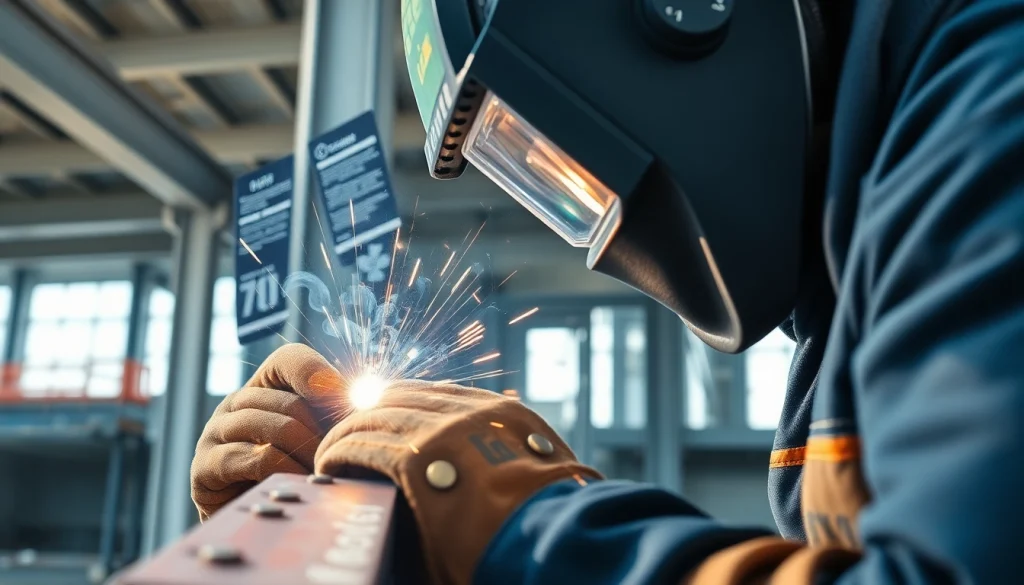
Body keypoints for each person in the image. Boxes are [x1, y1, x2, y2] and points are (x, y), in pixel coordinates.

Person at [191, 0, 1024, 583]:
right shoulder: (841, 286)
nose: (602, 214)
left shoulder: (993, 98)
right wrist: (428, 536)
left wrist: (526, 531)